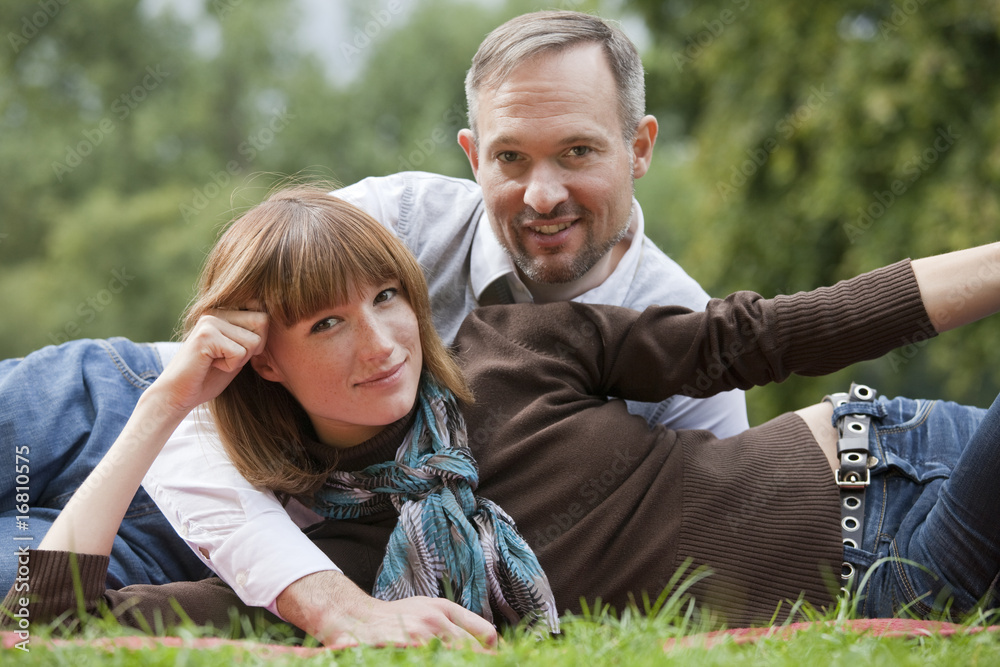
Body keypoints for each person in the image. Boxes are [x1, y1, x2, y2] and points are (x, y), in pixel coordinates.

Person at [5, 186, 1000, 647]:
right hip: (926, 566)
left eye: (389, 296)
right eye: (329, 321)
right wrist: (168, 401)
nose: (384, 341)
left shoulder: (512, 348)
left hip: (904, 471)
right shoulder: (331, 571)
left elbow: (772, 333)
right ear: (264, 360)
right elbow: (44, 614)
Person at [137, 8, 750, 636]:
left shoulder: (685, 335)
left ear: (639, 147)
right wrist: (335, 606)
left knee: (33, 574)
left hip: (276, 553)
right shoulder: (388, 223)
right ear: (473, 154)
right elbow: (193, 408)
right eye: (510, 156)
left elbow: (700, 527)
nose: (542, 195)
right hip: (144, 423)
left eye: (577, 151)